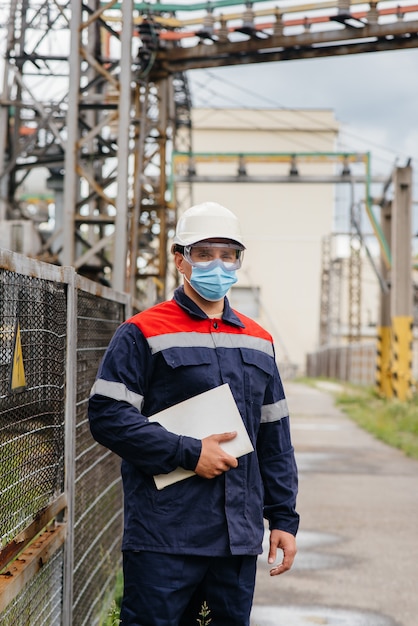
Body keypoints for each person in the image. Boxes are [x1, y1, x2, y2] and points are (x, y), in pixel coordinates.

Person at [88, 201, 299, 626]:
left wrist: (283, 518)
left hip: (236, 539)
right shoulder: (142, 332)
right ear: (180, 259)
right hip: (165, 536)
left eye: (227, 255)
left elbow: (274, 435)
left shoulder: (259, 341)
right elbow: (107, 415)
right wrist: (188, 452)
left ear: (239, 260)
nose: (217, 264)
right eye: (204, 254)